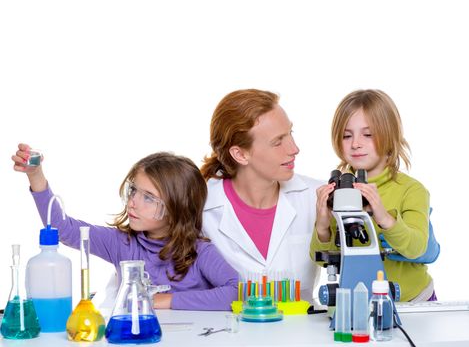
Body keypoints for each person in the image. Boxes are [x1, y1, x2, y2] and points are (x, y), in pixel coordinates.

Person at [12, 144, 238, 310]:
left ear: (178, 208)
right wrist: (35, 175)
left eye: (148, 198)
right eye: (133, 190)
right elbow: (63, 229)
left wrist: (164, 300)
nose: (133, 201)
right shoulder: (121, 243)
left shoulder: (199, 252)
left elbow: (235, 292)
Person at [310, 89, 435, 302]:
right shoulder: (340, 192)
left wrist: (383, 217)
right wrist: (322, 227)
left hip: (412, 302)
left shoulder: (411, 190)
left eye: (368, 135)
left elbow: (416, 248)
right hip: (360, 301)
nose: (355, 143)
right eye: (346, 135)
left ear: (390, 135)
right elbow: (321, 261)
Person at [201, 89, 323, 301]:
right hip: (228, 332)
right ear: (240, 154)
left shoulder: (317, 197)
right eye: (277, 142)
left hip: (300, 332)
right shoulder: (200, 207)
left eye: (290, 134)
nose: (294, 148)